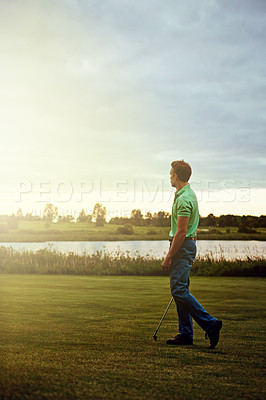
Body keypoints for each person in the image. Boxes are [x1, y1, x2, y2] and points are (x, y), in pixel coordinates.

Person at [162, 160, 222, 349]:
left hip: (182, 245)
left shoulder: (184, 198)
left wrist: (169, 256)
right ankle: (186, 334)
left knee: (178, 290)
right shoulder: (184, 195)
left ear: (176, 176)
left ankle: (210, 323)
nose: (169, 176)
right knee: (181, 290)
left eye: (171, 173)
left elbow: (181, 232)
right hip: (186, 244)